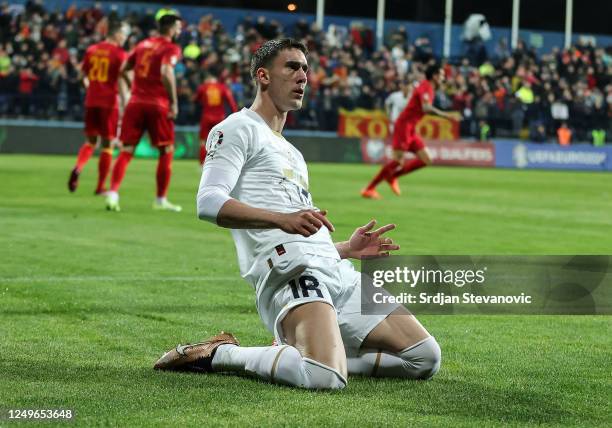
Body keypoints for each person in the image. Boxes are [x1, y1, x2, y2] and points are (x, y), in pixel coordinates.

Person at [154, 39, 441, 390]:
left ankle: (307, 352)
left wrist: (344, 249)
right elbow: (209, 202)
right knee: (325, 379)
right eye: (291, 66)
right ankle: (222, 353)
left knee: (424, 358)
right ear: (263, 76)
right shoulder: (236, 128)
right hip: (291, 271)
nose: (302, 74)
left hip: (335, 269)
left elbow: (299, 226)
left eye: (305, 68)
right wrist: (279, 218)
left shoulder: (292, 152)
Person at [105, 14, 183, 212]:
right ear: (172, 29)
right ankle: (160, 200)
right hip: (158, 105)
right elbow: (166, 72)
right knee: (166, 150)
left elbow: (124, 69)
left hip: (135, 103)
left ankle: (113, 193)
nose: (180, 31)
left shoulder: (143, 44)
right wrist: (173, 101)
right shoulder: (171, 48)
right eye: (179, 28)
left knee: (126, 151)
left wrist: (134, 89)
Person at [362, 64, 459, 199]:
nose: (443, 78)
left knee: (426, 159)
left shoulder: (429, 87)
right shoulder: (426, 87)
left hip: (411, 128)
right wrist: (447, 115)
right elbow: (426, 108)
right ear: (435, 76)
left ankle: (393, 177)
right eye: (442, 75)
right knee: (397, 161)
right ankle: (369, 189)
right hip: (403, 126)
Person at [68, 20, 129, 194]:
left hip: (91, 100)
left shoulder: (91, 50)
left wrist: (90, 88)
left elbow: (81, 76)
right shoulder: (119, 53)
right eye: (123, 35)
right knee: (107, 144)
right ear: (116, 34)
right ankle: (100, 186)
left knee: (90, 141)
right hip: (109, 102)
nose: (124, 38)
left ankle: (78, 167)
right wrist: (126, 101)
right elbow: (123, 78)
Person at [194, 73, 238, 165]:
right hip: (220, 118)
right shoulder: (222, 87)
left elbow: (195, 99)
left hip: (206, 117)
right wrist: (235, 115)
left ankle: (202, 164)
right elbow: (231, 102)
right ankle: (220, 162)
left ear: (208, 79)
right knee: (221, 141)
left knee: (203, 141)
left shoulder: (203, 87)